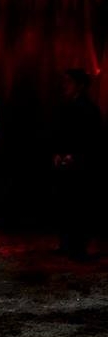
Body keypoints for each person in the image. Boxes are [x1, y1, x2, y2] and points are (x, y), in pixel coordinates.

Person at [50, 68, 103, 260]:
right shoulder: (64, 106)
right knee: (64, 202)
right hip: (64, 162)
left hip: (81, 166)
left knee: (79, 205)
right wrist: (57, 153)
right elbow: (58, 133)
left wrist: (75, 156)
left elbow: (92, 139)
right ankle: (66, 243)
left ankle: (79, 246)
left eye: (68, 82)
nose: (64, 86)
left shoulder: (89, 109)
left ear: (79, 85)